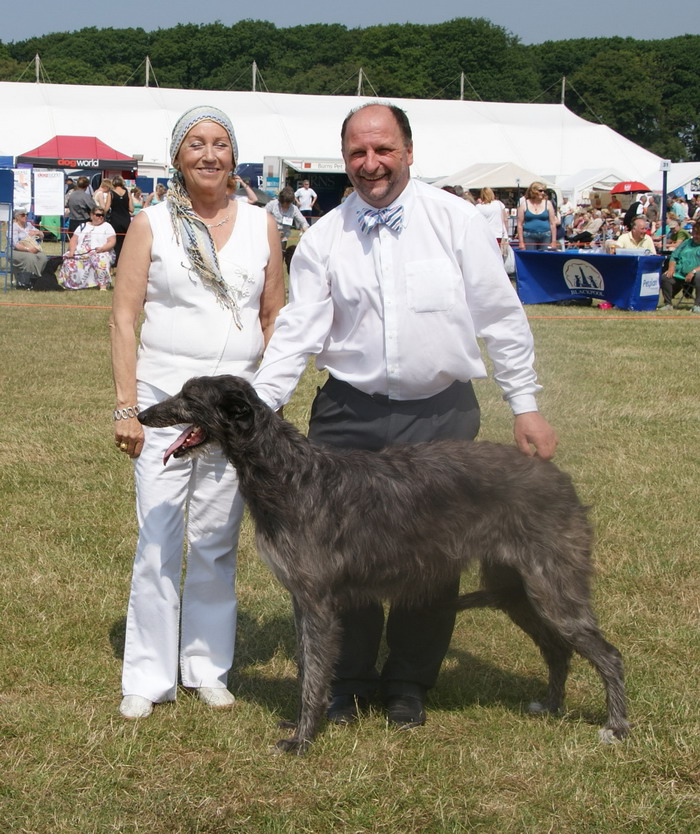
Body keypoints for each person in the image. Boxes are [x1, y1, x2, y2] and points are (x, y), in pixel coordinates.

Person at [252, 102, 557, 729]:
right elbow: (296, 333)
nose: (372, 164)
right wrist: (262, 405)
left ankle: (410, 683)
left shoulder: (457, 222)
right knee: (340, 556)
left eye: (383, 150)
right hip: (349, 417)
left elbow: (500, 318)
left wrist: (524, 405)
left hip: (440, 416)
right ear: (345, 162)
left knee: (432, 561)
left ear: (409, 152)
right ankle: (347, 681)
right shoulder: (324, 239)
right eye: (358, 154)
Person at [110, 105, 284, 720]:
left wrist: (268, 404)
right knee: (158, 537)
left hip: (235, 416)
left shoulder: (264, 225)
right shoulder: (151, 222)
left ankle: (207, 666)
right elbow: (125, 317)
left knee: (216, 540)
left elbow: (274, 319)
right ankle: (148, 677)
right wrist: (128, 407)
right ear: (178, 156)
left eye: (219, 144)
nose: (208, 155)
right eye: (195, 145)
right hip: (166, 403)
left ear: (234, 156)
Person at [59, 207, 116, 290]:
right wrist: (71, 251)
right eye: (98, 215)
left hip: (100, 251)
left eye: (102, 215)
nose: (100, 217)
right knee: (69, 260)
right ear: (91, 215)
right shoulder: (82, 226)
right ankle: (71, 285)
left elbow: (112, 241)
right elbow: (73, 240)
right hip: (81, 251)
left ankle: (103, 285)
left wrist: (102, 249)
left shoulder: (107, 226)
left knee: (100, 259)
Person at [659, 220, 700, 312]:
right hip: (680, 273)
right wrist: (671, 268)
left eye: (698, 234)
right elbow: (674, 256)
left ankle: (698, 305)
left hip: (696, 275)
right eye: (694, 233)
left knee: (699, 276)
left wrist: (693, 271)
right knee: (666, 277)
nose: (695, 236)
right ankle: (668, 304)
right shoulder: (687, 242)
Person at [266, 186, 309, 252]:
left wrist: (308, 233)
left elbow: (303, 222)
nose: (286, 205)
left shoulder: (294, 209)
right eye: (284, 203)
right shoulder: (272, 204)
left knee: (280, 258)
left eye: (288, 203)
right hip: (269, 236)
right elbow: (262, 216)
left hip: (283, 238)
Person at [516, 181, 556, 250]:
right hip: (529, 235)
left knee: (545, 257)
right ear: (533, 191)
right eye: (540, 191)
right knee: (530, 257)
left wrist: (554, 241)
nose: (543, 193)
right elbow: (519, 224)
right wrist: (521, 242)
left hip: (545, 235)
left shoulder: (548, 203)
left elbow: (553, 223)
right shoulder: (524, 204)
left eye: (544, 191)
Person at [109, 176, 134, 264]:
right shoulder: (127, 193)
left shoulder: (111, 193)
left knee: (115, 241)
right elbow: (131, 209)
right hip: (125, 220)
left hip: (115, 219)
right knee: (125, 242)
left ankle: (116, 261)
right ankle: (125, 261)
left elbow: (106, 208)